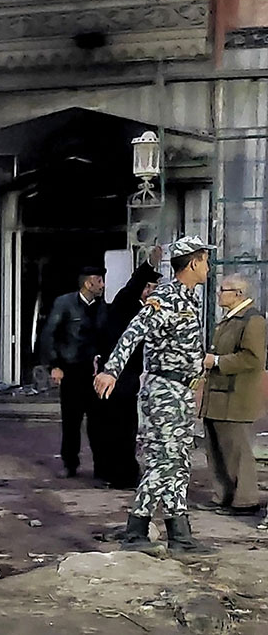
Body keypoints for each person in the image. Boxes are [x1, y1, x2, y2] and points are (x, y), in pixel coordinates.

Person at [95, 236, 216, 555]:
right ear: (192, 263)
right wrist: (111, 370)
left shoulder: (189, 298)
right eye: (205, 260)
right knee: (164, 464)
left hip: (180, 392)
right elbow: (133, 332)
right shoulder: (166, 297)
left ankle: (178, 534)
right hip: (164, 392)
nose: (208, 266)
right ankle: (138, 531)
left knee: (176, 463)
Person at [197, 274, 266, 516]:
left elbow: (253, 358)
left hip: (236, 396)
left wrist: (216, 361)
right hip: (218, 396)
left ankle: (245, 500)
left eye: (223, 290)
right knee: (217, 450)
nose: (219, 294)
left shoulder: (252, 320)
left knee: (237, 452)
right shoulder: (229, 319)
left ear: (238, 294)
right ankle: (223, 495)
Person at [98, 246, 164, 489]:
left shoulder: (146, 310)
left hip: (130, 377)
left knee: (124, 427)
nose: (153, 295)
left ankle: (119, 471)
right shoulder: (126, 302)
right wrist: (148, 265)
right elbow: (132, 286)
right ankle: (122, 475)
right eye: (151, 289)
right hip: (118, 376)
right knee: (121, 427)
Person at [39, 265, 108, 479]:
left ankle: (101, 466)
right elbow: (49, 334)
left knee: (98, 421)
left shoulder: (103, 307)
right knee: (71, 420)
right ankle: (70, 463)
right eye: (99, 280)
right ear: (89, 283)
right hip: (72, 369)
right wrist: (54, 365)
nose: (103, 285)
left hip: (96, 371)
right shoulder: (65, 303)